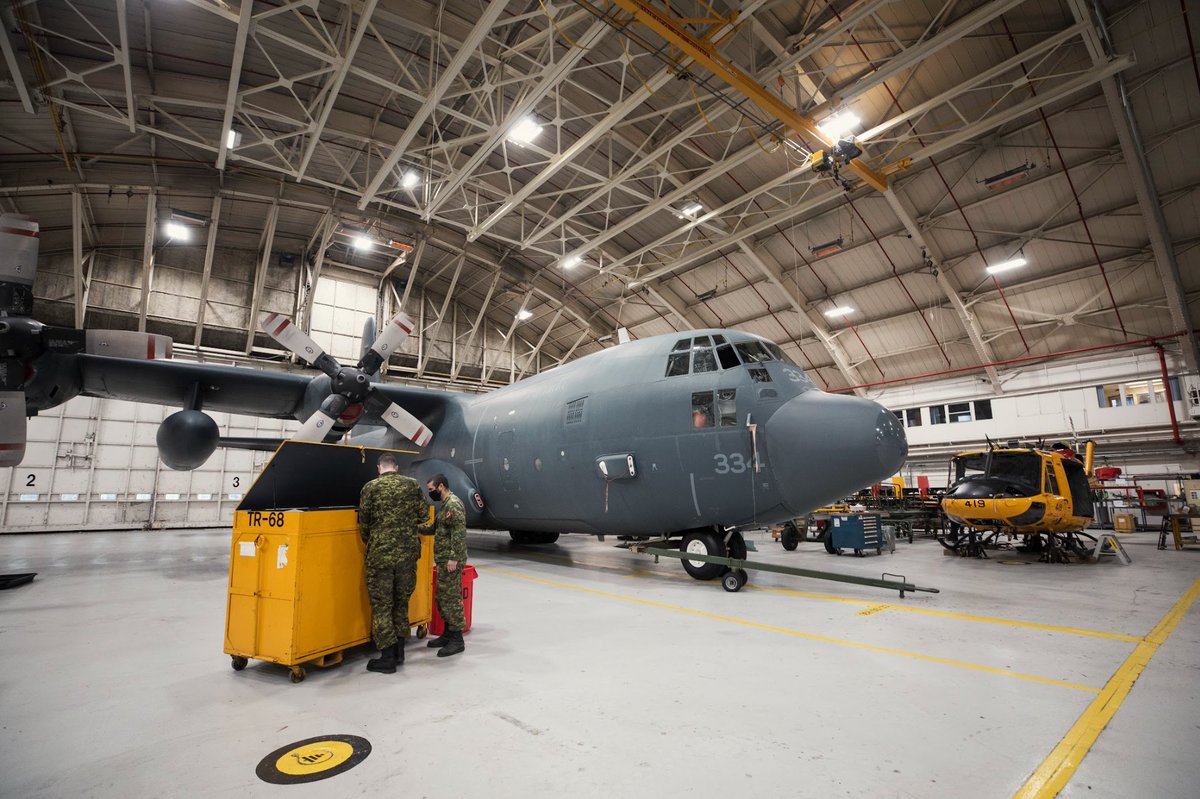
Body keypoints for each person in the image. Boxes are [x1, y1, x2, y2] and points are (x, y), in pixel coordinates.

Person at [358, 452, 427, 673]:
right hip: (407, 555)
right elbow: (423, 514)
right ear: (396, 468)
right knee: (400, 603)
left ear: (379, 468)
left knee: (382, 606)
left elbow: (364, 524)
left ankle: (387, 657)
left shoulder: (370, 488)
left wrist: (375, 541)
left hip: (381, 557)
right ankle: (399, 652)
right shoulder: (412, 485)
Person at [422, 473, 469, 658]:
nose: (430, 493)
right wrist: (415, 528)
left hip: (451, 561)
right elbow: (435, 528)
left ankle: (457, 640)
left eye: (432, 490)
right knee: (442, 598)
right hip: (443, 559)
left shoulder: (453, 504)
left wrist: (454, 558)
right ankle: (448, 634)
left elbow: (458, 533)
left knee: (451, 599)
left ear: (441, 486)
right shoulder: (444, 505)